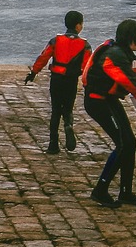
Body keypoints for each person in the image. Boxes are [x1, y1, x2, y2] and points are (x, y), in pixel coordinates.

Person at [81, 18, 136, 208]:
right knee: (122, 144)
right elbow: (131, 84)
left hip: (107, 100)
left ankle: (126, 192)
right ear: (132, 39)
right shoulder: (115, 56)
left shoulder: (120, 52)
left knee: (130, 142)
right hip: (97, 102)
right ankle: (100, 191)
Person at [26, 10, 91, 154]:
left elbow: (44, 57)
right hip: (71, 80)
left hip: (56, 79)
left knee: (55, 110)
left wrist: (33, 72)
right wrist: (88, 84)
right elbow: (87, 67)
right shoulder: (84, 45)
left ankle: (53, 144)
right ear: (78, 26)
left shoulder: (56, 40)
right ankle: (68, 124)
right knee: (67, 109)